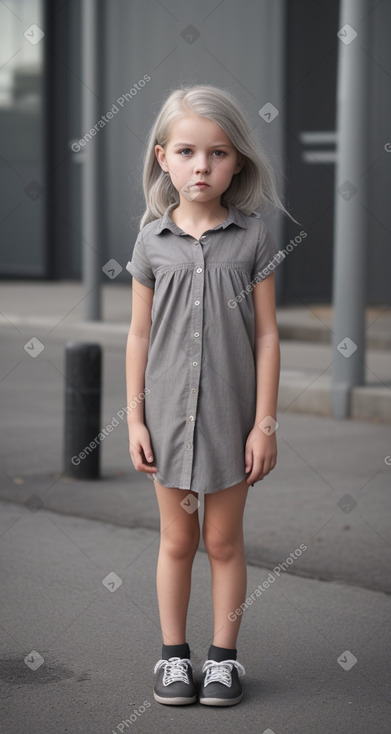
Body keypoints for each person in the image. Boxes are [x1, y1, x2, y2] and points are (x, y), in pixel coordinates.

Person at [125, 84, 297, 707]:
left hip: (231, 420)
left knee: (223, 542)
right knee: (177, 540)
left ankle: (223, 661)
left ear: (239, 163)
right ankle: (174, 659)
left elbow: (269, 336)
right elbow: (139, 335)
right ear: (163, 158)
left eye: (219, 153)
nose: (203, 166)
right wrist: (135, 419)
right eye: (189, 152)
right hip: (167, 419)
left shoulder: (253, 239)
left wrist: (265, 425)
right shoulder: (150, 243)